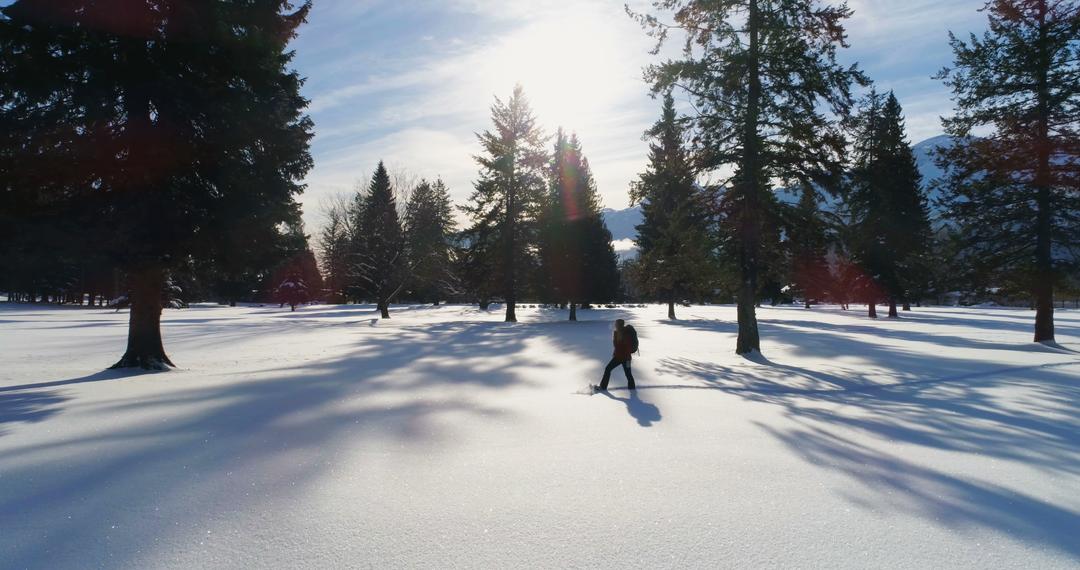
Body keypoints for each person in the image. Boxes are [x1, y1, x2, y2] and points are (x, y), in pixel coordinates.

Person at [597, 319, 636, 391]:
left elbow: (625, 346)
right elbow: (617, 346)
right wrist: (615, 353)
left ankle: (632, 389)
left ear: (619, 324)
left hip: (624, 358)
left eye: (616, 324)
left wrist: (622, 355)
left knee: (627, 374)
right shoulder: (617, 333)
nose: (615, 325)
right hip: (620, 357)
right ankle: (603, 386)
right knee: (609, 369)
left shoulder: (625, 334)